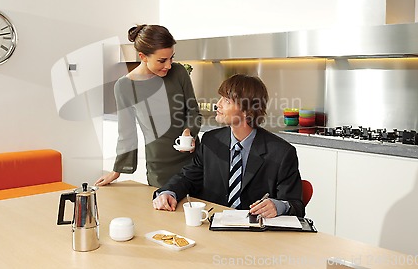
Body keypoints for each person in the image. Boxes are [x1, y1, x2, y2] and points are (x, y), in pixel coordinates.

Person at [152, 74, 305, 218]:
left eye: (226, 100)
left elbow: (295, 205)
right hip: (212, 225)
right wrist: (168, 192)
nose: (217, 104)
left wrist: (278, 206)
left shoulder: (281, 153)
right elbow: (188, 178)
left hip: (254, 235)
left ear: (247, 110)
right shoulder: (211, 141)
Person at [95, 24, 202, 188]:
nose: (168, 65)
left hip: (194, 162)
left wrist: (189, 131)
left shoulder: (179, 72)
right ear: (143, 56)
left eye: (171, 58)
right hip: (160, 169)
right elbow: (127, 132)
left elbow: (193, 111)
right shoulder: (125, 86)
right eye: (162, 60)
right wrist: (117, 170)